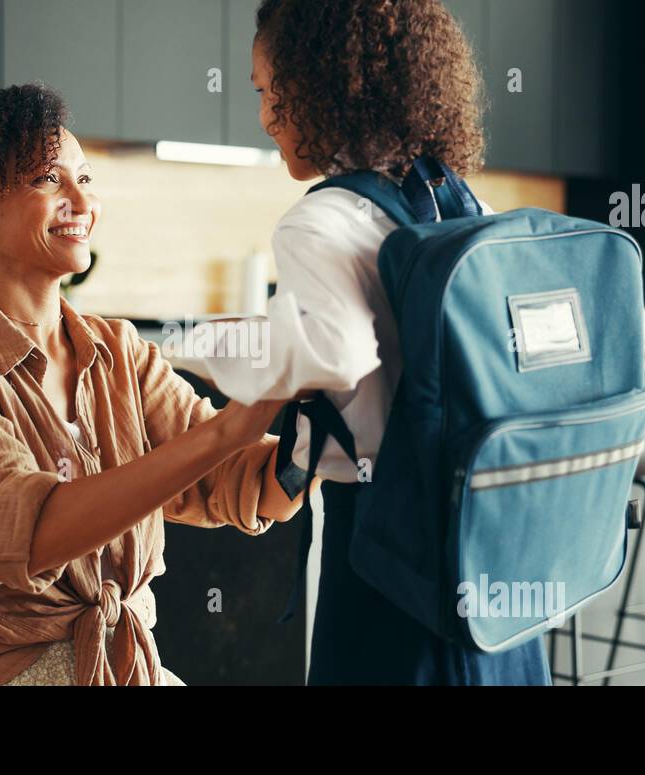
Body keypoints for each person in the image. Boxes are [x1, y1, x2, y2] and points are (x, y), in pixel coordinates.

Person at [0, 84, 304, 685]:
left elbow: (243, 485)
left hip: (131, 666)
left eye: (85, 178)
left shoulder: (119, 352)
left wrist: (321, 421)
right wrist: (232, 426)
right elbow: (27, 537)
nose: (82, 201)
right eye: (48, 181)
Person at [204, 0, 552, 685]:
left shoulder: (322, 219)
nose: (266, 117)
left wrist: (211, 350)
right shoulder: (455, 200)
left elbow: (334, 355)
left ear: (319, 85)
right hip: (487, 539)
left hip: (387, 547)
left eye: (268, 91)